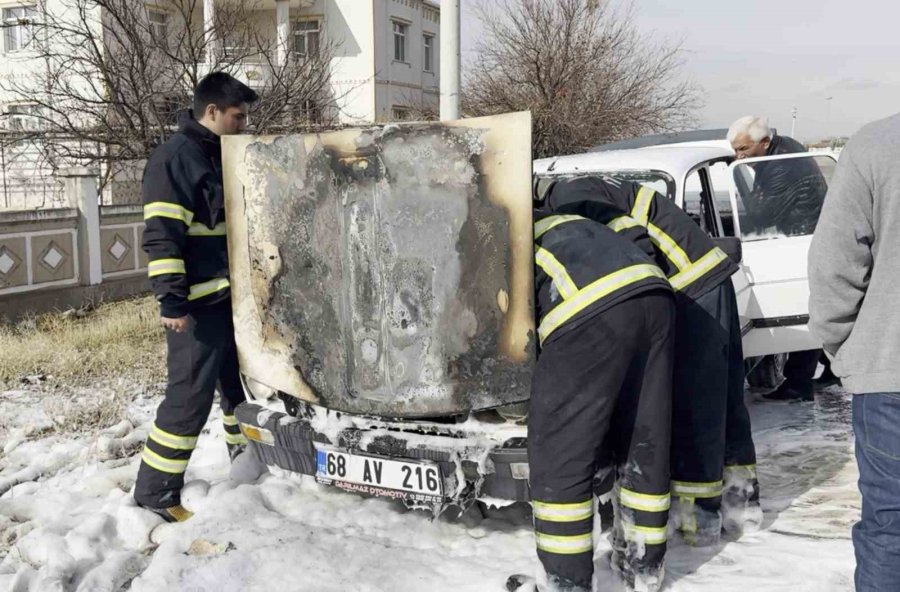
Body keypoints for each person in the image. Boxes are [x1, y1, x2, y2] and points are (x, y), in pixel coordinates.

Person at [543, 176, 760, 545]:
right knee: (724, 403)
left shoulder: (565, 197)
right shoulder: (581, 185)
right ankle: (741, 509)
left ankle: (698, 525)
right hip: (707, 274)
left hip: (689, 286)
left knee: (694, 411)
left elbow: (628, 239)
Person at [508, 210, 674, 592]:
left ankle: (565, 583)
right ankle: (643, 569)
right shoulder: (563, 223)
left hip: (588, 305)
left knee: (558, 458)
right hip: (653, 294)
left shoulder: (498, 235)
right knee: (641, 438)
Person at [134, 72, 258, 522]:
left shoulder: (217, 154)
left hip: (226, 303)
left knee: (235, 393)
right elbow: (162, 237)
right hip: (197, 309)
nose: (244, 124)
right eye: (237, 116)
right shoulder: (175, 159)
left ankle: (247, 464)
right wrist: (172, 304)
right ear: (211, 112)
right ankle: (155, 493)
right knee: (189, 399)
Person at [808, 113, 900, 592]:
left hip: (891, 372)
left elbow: (835, 264)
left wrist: (843, 348)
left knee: (892, 527)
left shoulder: (877, 144)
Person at [728, 115, 827, 402]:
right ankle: (829, 369)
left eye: (743, 150)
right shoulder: (782, 148)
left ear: (765, 142)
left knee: (800, 313)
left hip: (799, 234)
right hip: (805, 233)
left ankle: (799, 383)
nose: (738, 156)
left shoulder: (780, 166)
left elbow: (761, 216)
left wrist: (752, 198)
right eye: (736, 150)